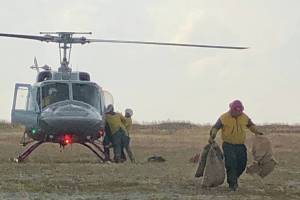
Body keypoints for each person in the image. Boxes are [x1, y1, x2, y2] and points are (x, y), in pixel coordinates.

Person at [208, 100, 263, 191]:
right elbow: (215, 127)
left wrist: (257, 132)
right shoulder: (224, 117)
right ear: (232, 109)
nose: (239, 112)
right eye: (237, 110)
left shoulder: (244, 117)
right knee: (231, 164)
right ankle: (232, 184)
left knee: (242, 164)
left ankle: (233, 177)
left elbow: (251, 126)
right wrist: (212, 136)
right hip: (228, 145)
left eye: (240, 110)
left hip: (240, 145)